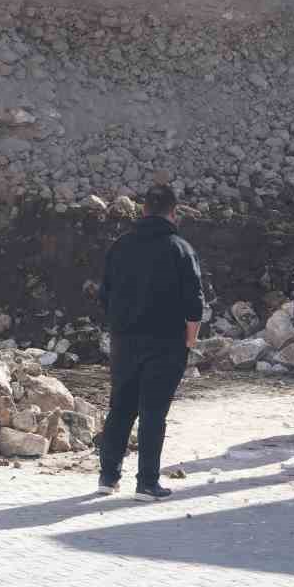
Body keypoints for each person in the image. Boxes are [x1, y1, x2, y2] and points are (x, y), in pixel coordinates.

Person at [97, 183, 204, 500]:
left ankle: (107, 476)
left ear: (143, 210)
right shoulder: (180, 248)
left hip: (124, 341)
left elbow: (105, 294)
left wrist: (119, 326)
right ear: (174, 213)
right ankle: (146, 482)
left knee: (120, 408)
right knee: (153, 412)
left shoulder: (120, 246)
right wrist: (190, 342)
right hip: (166, 342)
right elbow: (194, 304)